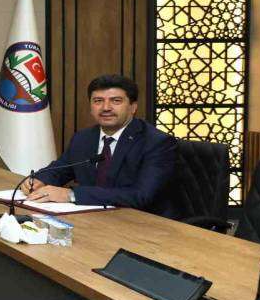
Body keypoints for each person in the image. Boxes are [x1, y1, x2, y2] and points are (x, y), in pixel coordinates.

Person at [25, 74, 178, 217]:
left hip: (144, 222)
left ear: (133, 107)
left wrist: (72, 195)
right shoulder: (83, 138)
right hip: (93, 218)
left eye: (116, 101)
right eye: (98, 101)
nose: (106, 108)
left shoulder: (157, 142)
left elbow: (141, 195)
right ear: (91, 107)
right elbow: (59, 170)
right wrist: (39, 180)